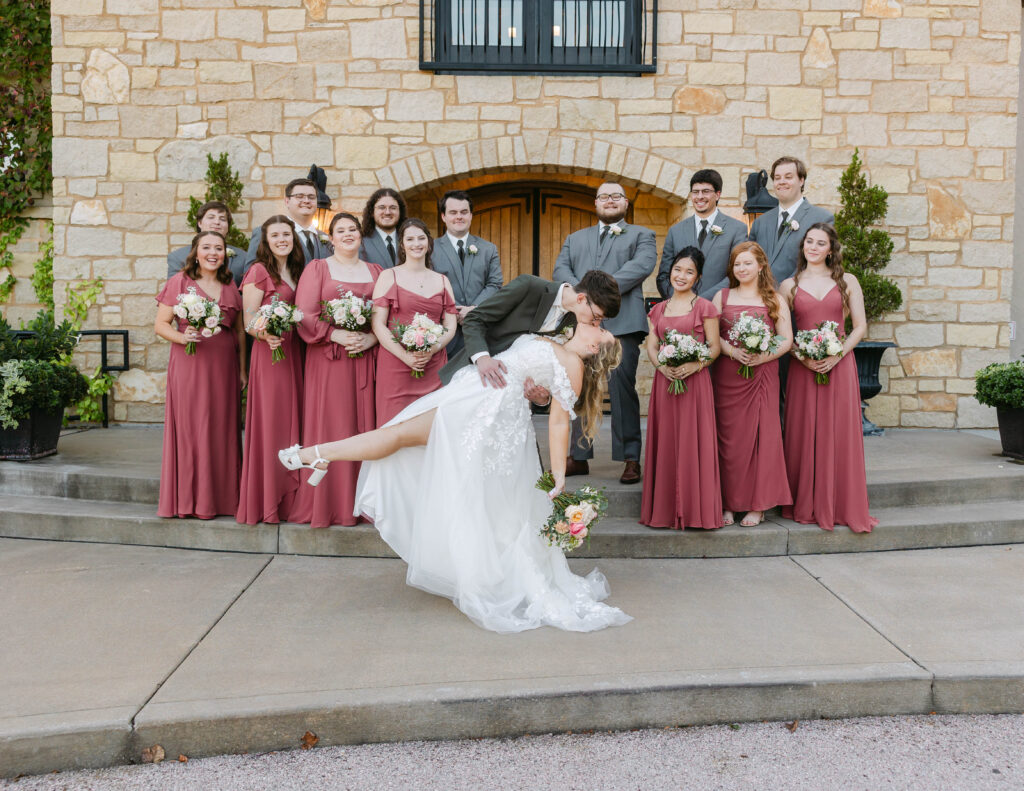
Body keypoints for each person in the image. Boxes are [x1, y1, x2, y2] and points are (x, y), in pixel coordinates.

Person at [278, 323, 632, 634]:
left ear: (594, 348)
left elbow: (557, 422)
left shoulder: (572, 365)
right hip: (474, 394)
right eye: (599, 326)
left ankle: (316, 454)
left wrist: (557, 476)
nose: (596, 329)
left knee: (402, 437)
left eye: (601, 332)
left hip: (486, 410)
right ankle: (320, 455)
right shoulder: (553, 336)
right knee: (403, 438)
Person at [552, 182, 657, 484]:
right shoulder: (575, 238)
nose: (609, 201)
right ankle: (579, 455)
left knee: (621, 384)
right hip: (581, 324)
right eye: (604, 196)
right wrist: (582, 300)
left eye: (616, 196)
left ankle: (629, 457)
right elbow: (561, 270)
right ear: (595, 202)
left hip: (623, 323)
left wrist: (598, 294)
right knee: (578, 383)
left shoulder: (642, 236)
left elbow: (642, 267)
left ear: (625, 203)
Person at [778, 223, 878, 533]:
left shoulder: (848, 281)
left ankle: (840, 503)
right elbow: (784, 333)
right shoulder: (788, 285)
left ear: (831, 249)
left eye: (821, 243)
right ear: (803, 246)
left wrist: (838, 354)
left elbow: (860, 326)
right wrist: (803, 356)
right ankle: (805, 503)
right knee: (804, 431)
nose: (814, 247)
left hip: (840, 365)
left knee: (839, 432)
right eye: (809, 241)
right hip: (802, 368)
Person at [290, 212, 382, 528]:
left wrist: (371, 337)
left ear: (361, 235)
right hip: (329, 361)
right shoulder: (318, 269)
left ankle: (364, 502)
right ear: (330, 239)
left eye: (352, 229)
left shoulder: (376, 271)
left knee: (365, 427)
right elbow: (304, 313)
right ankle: (330, 503)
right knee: (332, 425)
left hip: (365, 360)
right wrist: (334, 334)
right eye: (340, 230)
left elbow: (388, 314)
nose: (347, 234)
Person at [438, 270, 622, 415]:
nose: (596, 324)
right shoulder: (529, 286)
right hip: (479, 380)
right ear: (581, 299)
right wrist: (482, 358)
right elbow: (474, 319)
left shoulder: (577, 326)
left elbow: (555, 372)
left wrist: (543, 400)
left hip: (514, 404)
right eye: (596, 317)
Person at [155, 231, 245, 519]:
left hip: (224, 369)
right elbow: (161, 324)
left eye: (218, 248)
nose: (213, 253)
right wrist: (183, 338)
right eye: (206, 247)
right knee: (192, 428)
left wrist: (243, 370)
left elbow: (240, 333)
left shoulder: (231, 285)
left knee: (221, 429)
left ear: (225, 255)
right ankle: (189, 501)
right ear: (195, 252)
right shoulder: (180, 282)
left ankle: (222, 500)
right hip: (190, 366)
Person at [711, 242, 794, 528]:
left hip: (762, 375)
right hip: (727, 375)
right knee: (728, 439)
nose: (742, 269)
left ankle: (757, 505)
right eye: (737, 264)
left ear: (760, 266)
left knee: (761, 439)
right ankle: (727, 502)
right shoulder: (721, 297)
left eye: (747, 263)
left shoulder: (775, 299)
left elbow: (786, 338)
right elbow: (711, 337)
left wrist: (762, 357)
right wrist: (733, 352)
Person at [640, 247, 722, 530]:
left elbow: (715, 347)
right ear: (670, 272)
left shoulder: (705, 307)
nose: (681, 276)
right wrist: (661, 367)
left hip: (695, 385)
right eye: (677, 269)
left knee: (692, 443)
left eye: (689, 272)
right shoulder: (658, 309)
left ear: (697, 277)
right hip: (666, 384)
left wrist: (695, 366)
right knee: (667, 443)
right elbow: (652, 345)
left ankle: (694, 511)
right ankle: (663, 510)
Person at [236, 216, 306, 526]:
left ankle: (293, 498)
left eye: (286, 234)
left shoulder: (298, 271)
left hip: (297, 355)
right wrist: (265, 334)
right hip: (271, 354)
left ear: (294, 238)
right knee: (273, 422)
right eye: (275, 235)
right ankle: (268, 500)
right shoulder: (258, 271)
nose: (282, 239)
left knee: (295, 420)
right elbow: (248, 319)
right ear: (266, 240)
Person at [371, 218, 458, 426]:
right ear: (402, 244)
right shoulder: (388, 276)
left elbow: (450, 325)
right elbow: (378, 324)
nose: (416, 244)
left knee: (430, 427)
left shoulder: (442, 280)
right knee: (394, 425)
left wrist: (432, 349)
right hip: (396, 364)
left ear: (428, 243)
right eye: (410, 239)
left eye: (421, 238)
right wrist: (405, 356)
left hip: (433, 364)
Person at [430, 190, 503, 360]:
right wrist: (452, 311)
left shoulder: (488, 249)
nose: (459, 217)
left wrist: (473, 309)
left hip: (481, 331)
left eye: (464, 212)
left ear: (470, 215)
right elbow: (426, 285)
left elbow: (495, 284)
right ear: (443, 216)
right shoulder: (430, 249)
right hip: (444, 333)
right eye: (453, 213)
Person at [657, 170, 748, 301]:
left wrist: (700, 302)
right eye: (695, 192)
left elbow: (736, 273)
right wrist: (678, 301)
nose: (699, 196)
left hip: (718, 307)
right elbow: (663, 275)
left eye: (705, 191)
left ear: (717, 195)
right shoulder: (675, 231)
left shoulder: (737, 229)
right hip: (680, 311)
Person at [747, 156, 835, 284]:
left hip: (797, 296)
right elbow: (749, 259)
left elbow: (819, 265)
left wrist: (785, 291)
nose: (782, 182)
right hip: (759, 298)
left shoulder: (822, 218)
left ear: (801, 180)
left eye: (788, 177)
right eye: (777, 178)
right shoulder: (760, 222)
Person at [245, 179, 332, 270]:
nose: (306, 201)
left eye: (311, 197)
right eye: (299, 196)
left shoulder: (326, 238)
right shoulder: (263, 232)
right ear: (287, 201)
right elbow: (251, 273)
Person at [166, 200, 247, 285]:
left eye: (222, 219)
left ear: (228, 227)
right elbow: (173, 291)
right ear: (200, 223)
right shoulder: (178, 257)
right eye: (211, 217)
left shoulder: (244, 257)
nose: (217, 222)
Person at [359, 188, 407, 268]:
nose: (387, 212)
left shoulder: (409, 240)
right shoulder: (361, 243)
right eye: (382, 207)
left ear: (400, 212)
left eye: (393, 208)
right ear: (372, 212)